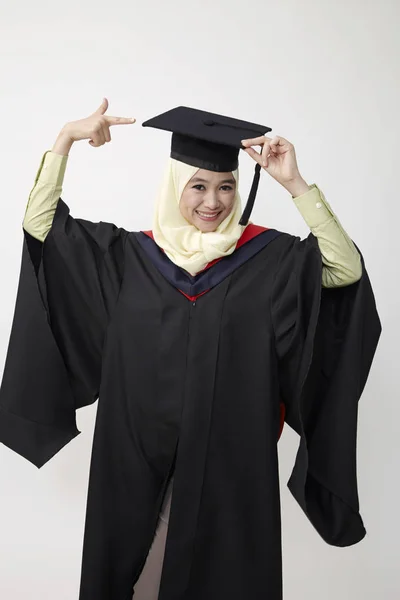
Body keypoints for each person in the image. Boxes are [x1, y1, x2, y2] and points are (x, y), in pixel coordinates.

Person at [0, 99, 381, 600]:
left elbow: (344, 269)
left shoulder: (268, 261)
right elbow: (42, 227)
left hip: (232, 466)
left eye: (226, 186)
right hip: (137, 461)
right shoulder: (129, 259)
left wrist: (295, 184)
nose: (214, 201)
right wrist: (65, 141)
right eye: (198, 185)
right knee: (136, 578)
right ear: (175, 184)